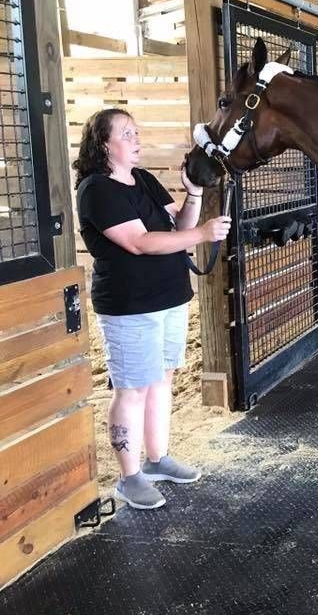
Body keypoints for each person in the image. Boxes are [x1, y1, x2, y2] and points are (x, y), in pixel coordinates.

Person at [73, 108, 231, 510]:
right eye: (127, 133)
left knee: (162, 379)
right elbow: (140, 242)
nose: (137, 138)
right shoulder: (97, 190)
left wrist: (193, 194)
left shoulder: (142, 179)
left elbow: (177, 226)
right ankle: (129, 477)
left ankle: (158, 460)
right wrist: (202, 234)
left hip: (168, 297)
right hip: (130, 306)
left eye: (137, 131)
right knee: (132, 389)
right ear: (104, 143)